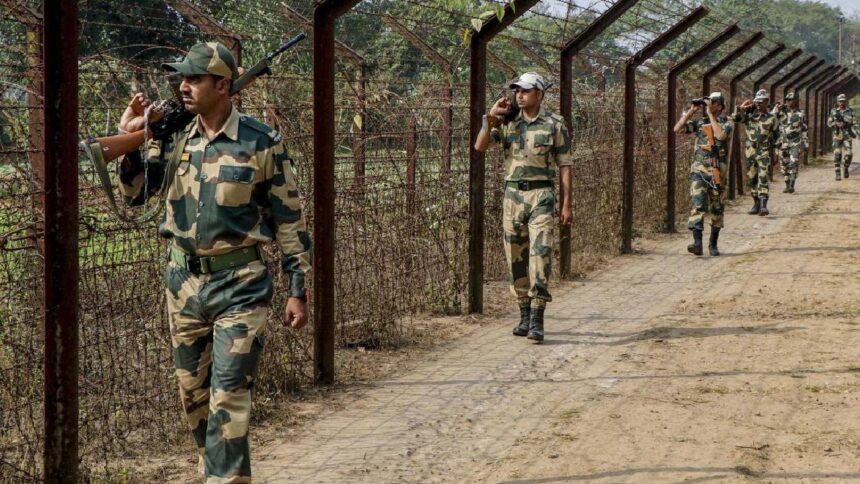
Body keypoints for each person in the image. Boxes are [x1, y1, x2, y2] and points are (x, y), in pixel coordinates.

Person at [113, 42, 311, 482]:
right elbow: (135, 195)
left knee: (229, 399)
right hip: (183, 285)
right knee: (195, 400)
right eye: (181, 78)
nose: (184, 86)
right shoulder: (174, 137)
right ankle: (216, 473)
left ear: (224, 85)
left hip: (241, 285)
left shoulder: (261, 144)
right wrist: (132, 142)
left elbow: (290, 225)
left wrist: (297, 290)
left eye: (195, 78)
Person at [473, 72, 573, 343]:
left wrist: (566, 203)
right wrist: (491, 117)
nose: (519, 94)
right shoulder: (507, 123)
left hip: (541, 194)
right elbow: (480, 146)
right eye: (517, 90)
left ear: (539, 94)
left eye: (526, 91)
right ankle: (524, 314)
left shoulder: (554, 124)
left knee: (540, 254)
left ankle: (538, 317)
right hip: (512, 196)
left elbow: (565, 164)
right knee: (515, 256)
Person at [673, 92, 733, 256]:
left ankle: (713, 244)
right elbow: (677, 129)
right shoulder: (699, 122)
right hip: (699, 171)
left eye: (712, 103)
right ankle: (697, 243)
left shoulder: (726, 122)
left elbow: (720, 135)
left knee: (717, 208)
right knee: (697, 205)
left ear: (719, 107)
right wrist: (691, 112)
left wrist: (709, 115)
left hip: (716, 172)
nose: (709, 104)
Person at [732, 89, 779, 216]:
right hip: (750, 150)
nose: (759, 104)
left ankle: (764, 205)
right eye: (757, 101)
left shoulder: (772, 118)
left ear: (766, 102)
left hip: (764, 150)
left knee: (763, 176)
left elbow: (776, 136)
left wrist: (776, 153)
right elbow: (735, 119)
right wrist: (741, 108)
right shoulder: (749, 116)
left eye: (761, 101)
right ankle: (756, 203)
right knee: (752, 177)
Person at [772, 91, 808, 193]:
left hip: (795, 141)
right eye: (787, 100)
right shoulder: (780, 112)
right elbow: (771, 120)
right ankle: (787, 184)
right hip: (783, 142)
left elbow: (804, 129)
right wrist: (776, 109)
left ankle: (792, 184)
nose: (788, 102)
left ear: (796, 101)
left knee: (794, 162)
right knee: (784, 164)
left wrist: (806, 143)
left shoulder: (800, 113)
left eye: (791, 99)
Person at [827, 93, 856, 180]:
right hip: (837, 135)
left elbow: (855, 123)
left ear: (845, 101)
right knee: (837, 154)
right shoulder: (834, 112)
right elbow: (829, 123)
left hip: (847, 135)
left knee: (849, 154)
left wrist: (857, 133)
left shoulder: (850, 111)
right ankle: (837, 173)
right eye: (840, 101)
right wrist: (836, 124)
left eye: (843, 101)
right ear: (838, 102)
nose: (842, 103)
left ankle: (846, 168)